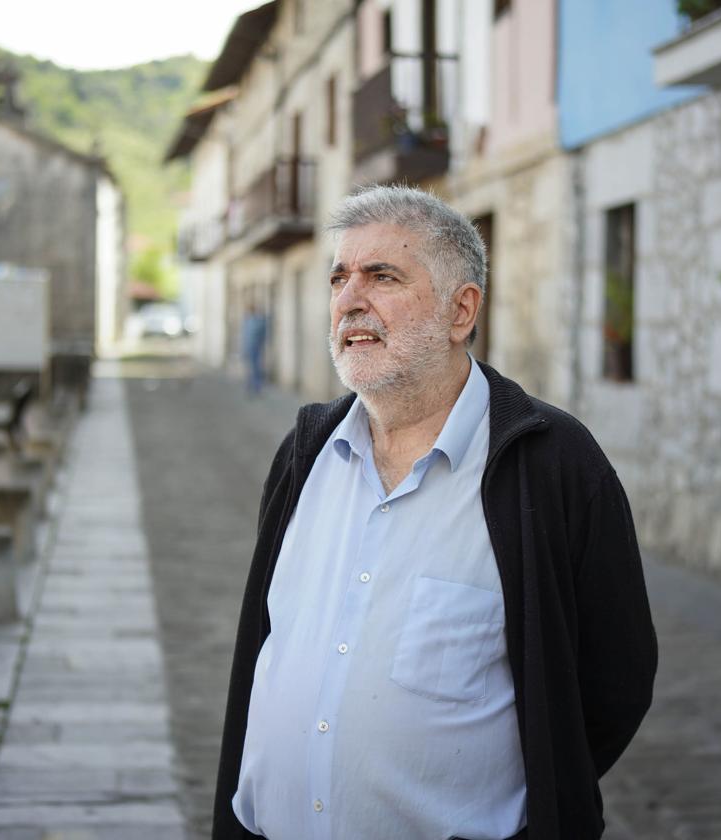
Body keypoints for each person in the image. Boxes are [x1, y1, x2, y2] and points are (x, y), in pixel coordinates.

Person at [214, 185, 657, 840]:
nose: (349, 299)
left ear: (461, 310)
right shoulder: (303, 456)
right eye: (339, 277)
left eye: (382, 276)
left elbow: (613, 684)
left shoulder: (553, 466)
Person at [241, 302, 269, 395]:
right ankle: (250, 386)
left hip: (255, 347)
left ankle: (257, 387)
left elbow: (262, 334)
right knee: (250, 368)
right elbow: (245, 336)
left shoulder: (258, 321)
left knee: (256, 367)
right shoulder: (248, 321)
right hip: (250, 347)